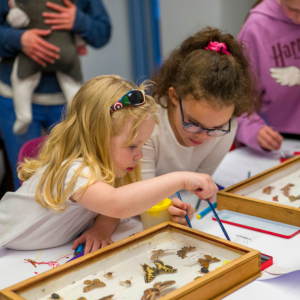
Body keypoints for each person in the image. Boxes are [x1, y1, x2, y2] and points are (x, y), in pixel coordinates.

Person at [0, 75, 218, 255]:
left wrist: (102, 227)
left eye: (142, 145)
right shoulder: (73, 170)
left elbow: (115, 203)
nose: (139, 155)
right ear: (97, 137)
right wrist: (180, 178)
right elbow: (116, 203)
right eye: (132, 146)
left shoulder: (109, 166)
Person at [141, 27, 259, 224]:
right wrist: (168, 209)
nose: (203, 136)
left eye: (216, 128)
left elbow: (196, 188)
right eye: (194, 123)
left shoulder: (228, 126)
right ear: (174, 96)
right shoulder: (145, 128)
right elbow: (140, 198)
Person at [0, 0, 111, 190]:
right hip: (15, 99)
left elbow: (102, 32)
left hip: (67, 100)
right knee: (27, 182)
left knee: (76, 180)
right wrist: (17, 39)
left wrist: (79, 20)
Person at [236, 0, 300, 152]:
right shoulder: (257, 27)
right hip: (277, 139)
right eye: (293, 10)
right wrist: (253, 130)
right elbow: (237, 96)